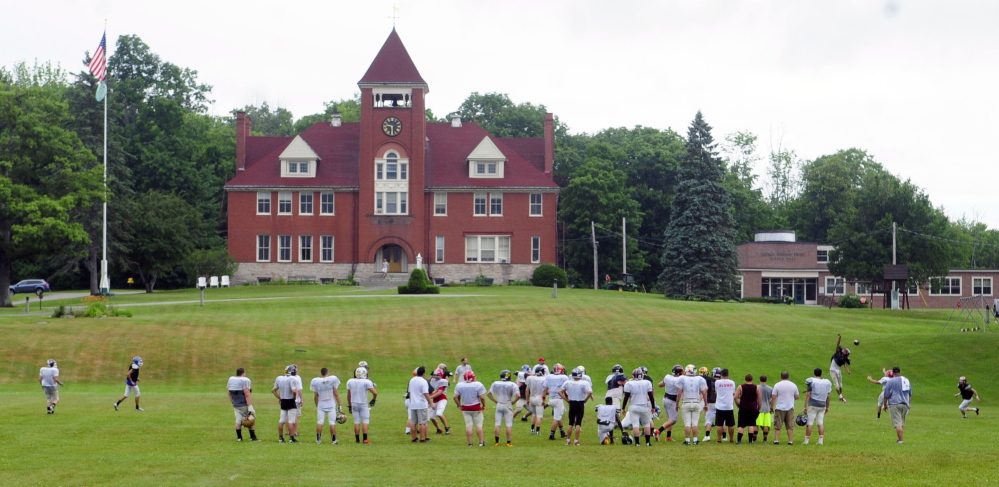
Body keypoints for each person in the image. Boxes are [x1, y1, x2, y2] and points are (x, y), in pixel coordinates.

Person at [560, 367, 594, 446]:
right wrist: (585, 399)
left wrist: (566, 399)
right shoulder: (584, 383)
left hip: (572, 402)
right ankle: (576, 440)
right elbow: (590, 392)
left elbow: (559, 392)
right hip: (580, 403)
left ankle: (568, 440)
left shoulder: (568, 382)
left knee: (570, 423)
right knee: (578, 423)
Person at [621, 368, 655, 446]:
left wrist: (623, 408)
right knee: (646, 424)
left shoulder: (629, 383)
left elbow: (626, 397)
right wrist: (653, 407)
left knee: (635, 425)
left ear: (633, 375)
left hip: (633, 406)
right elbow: (651, 396)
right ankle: (647, 442)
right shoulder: (647, 382)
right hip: (644, 406)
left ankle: (637, 443)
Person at [675, 364, 707, 445]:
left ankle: (688, 440)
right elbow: (704, 393)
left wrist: (677, 403)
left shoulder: (682, 378)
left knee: (687, 423)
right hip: (696, 402)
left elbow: (679, 393)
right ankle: (695, 440)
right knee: (695, 423)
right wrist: (706, 404)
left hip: (686, 402)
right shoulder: (700, 379)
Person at [454, 370, 488, 446]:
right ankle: (481, 443)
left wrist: (459, 405)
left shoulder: (459, 385)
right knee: (479, 425)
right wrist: (484, 405)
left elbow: (455, 397)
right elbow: (482, 397)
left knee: (468, 426)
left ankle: (470, 443)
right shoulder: (478, 384)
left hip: (465, 408)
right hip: (476, 407)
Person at [487, 369, 520, 446]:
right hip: (507, 404)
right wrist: (514, 402)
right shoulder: (512, 384)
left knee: (497, 423)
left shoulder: (496, 383)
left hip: (499, 404)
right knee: (508, 424)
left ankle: (497, 442)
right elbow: (518, 395)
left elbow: (489, 394)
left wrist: (495, 401)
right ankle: (508, 442)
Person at [310, 367, 342, 444]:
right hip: (331, 403)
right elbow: (336, 394)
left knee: (320, 422)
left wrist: (317, 405)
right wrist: (340, 405)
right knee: (332, 422)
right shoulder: (332, 379)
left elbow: (315, 396)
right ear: (327, 372)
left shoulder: (316, 381)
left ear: (321, 373)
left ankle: (318, 439)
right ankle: (334, 440)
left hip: (321, 404)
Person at [346, 366, 377, 444]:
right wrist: (373, 399)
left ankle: (357, 440)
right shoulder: (367, 382)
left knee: (356, 421)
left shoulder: (350, 381)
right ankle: (365, 439)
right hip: (363, 404)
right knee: (365, 421)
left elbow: (348, 396)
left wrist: (349, 405)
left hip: (354, 403)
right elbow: (375, 392)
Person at [227, 367, 258, 442]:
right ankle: (252, 437)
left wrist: (232, 401)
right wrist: (250, 405)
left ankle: (239, 438)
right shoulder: (245, 380)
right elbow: (247, 394)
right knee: (250, 419)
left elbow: (229, 392)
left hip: (236, 404)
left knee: (238, 421)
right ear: (243, 373)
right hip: (243, 404)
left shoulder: (232, 379)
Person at [803, 368, 832, 445]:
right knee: (820, 423)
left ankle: (806, 440)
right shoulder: (826, 382)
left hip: (813, 404)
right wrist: (827, 406)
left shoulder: (812, 381)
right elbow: (828, 397)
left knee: (810, 423)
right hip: (822, 404)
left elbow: (808, 394)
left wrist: (805, 406)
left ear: (814, 373)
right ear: (821, 374)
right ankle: (821, 440)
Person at [882, 366, 911, 443]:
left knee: (897, 423)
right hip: (905, 403)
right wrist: (909, 404)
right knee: (901, 422)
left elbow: (886, 395)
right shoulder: (906, 380)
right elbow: (910, 394)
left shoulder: (891, 381)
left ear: (893, 373)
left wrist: (885, 405)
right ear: (899, 372)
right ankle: (900, 438)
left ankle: (901, 440)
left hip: (895, 403)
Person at [272, 365, 300, 443]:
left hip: (283, 401)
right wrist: (294, 397)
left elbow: (273, 390)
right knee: (291, 421)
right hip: (290, 401)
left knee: (281, 420)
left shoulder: (279, 378)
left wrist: (279, 398)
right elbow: (294, 391)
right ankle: (291, 438)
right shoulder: (293, 379)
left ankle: (281, 438)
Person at [771, 370, 799, 445]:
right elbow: (797, 396)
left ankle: (776, 440)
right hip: (790, 407)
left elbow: (773, 397)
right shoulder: (793, 385)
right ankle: (790, 440)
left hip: (780, 407)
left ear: (781, 377)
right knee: (790, 425)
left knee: (777, 425)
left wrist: (771, 406)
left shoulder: (777, 385)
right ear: (788, 377)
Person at [656, 365, 683, 441]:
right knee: (673, 420)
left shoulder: (668, 376)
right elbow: (679, 393)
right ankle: (659, 431)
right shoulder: (679, 380)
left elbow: (660, 384)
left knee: (670, 419)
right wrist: (677, 404)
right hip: (672, 401)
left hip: (665, 399)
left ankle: (668, 437)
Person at [544, 363, 570, 440]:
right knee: (556, 418)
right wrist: (568, 399)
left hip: (551, 399)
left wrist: (543, 399)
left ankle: (562, 432)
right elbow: (567, 388)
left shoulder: (549, 376)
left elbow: (545, 389)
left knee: (558, 416)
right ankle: (551, 435)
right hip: (558, 399)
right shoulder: (564, 377)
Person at [408, 366, 433, 443]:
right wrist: (431, 403)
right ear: (423, 373)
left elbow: (409, 392)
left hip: (413, 404)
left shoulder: (412, 380)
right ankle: (422, 438)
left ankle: (414, 438)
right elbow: (426, 393)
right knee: (422, 422)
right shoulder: (423, 381)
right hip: (421, 404)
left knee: (413, 422)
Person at [734, 373, 761, 444]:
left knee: (741, 425)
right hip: (753, 407)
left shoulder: (741, 387)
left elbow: (735, 397)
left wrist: (738, 404)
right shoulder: (756, 387)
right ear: (752, 379)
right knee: (751, 424)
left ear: (745, 379)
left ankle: (739, 440)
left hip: (743, 407)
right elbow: (760, 398)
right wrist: (759, 407)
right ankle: (750, 441)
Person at [713, 368, 736, 443]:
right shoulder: (732, 382)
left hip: (720, 406)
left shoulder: (717, 382)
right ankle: (731, 439)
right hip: (729, 406)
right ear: (728, 374)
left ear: (721, 375)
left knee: (719, 424)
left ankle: (719, 439)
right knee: (730, 424)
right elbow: (733, 393)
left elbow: (716, 392)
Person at [525, 365, 547, 435]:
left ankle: (532, 430)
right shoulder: (544, 379)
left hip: (532, 397)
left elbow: (527, 390)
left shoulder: (530, 378)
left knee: (534, 414)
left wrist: (527, 399)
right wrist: (544, 400)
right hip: (539, 398)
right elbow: (545, 391)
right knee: (539, 416)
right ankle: (537, 431)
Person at [428, 368, 451, 435]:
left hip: (442, 399)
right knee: (431, 417)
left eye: (437, 375)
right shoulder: (433, 380)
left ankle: (447, 428)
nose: (436, 377)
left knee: (439, 413)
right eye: (435, 375)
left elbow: (439, 393)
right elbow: (433, 391)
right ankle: (438, 429)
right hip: (435, 400)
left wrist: (430, 397)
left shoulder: (443, 381)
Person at [830, 334, 852, 402]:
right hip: (833, 370)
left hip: (838, 370)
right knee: (836, 385)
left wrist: (848, 371)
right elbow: (837, 344)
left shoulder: (844, 359)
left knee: (840, 385)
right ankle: (841, 397)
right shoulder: (838, 352)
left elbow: (845, 366)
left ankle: (841, 396)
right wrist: (839, 338)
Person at [700, 367, 718, 442]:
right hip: (721, 404)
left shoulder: (710, 381)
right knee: (723, 421)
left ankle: (707, 436)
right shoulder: (721, 382)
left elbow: (705, 390)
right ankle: (724, 437)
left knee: (708, 420)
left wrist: (701, 398)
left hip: (711, 402)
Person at [756, 374, 774, 443]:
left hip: (758, 408)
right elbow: (772, 398)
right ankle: (765, 439)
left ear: (760, 380)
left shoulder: (757, 387)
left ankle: (754, 438)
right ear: (766, 380)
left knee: (756, 424)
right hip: (767, 408)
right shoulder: (770, 388)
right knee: (766, 424)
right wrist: (771, 407)